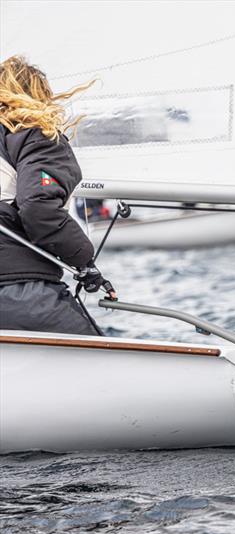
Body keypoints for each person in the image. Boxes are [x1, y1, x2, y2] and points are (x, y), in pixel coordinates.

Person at [0, 55, 112, 335]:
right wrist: (84, 260)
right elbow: (38, 207)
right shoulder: (35, 136)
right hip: (18, 290)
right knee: (105, 364)